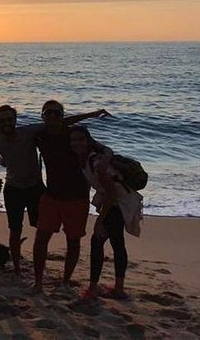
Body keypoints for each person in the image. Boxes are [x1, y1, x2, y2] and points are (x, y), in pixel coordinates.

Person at [0, 104, 110, 279]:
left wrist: (93, 114)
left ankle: (54, 275)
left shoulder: (29, 132)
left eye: (9, 119)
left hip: (37, 188)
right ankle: (17, 269)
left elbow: (62, 123)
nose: (6, 122)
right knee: (17, 231)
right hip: (15, 189)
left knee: (50, 234)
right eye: (2, 120)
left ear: (15, 120)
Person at [32, 100, 113, 294]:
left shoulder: (73, 135)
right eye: (48, 113)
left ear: (62, 116)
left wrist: (104, 163)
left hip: (77, 197)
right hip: (51, 195)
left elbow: (106, 150)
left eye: (57, 114)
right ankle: (38, 283)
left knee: (73, 241)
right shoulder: (40, 135)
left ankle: (65, 281)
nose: (52, 116)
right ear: (42, 116)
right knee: (41, 238)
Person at [70, 126, 143, 300]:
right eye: (73, 140)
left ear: (88, 142)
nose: (77, 143)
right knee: (116, 242)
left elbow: (111, 194)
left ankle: (96, 288)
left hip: (119, 203)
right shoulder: (86, 159)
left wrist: (99, 221)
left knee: (98, 242)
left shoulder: (95, 162)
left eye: (81, 139)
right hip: (118, 201)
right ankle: (117, 288)